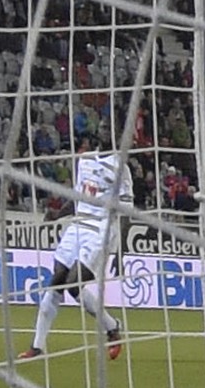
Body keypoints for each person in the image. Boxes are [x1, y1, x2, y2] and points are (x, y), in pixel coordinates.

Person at [17, 136, 132, 361]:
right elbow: (79, 197)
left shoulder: (121, 169)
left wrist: (121, 250)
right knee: (57, 278)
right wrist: (58, 215)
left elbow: (127, 212)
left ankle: (111, 328)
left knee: (73, 284)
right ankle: (37, 346)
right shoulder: (84, 160)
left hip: (101, 230)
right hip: (78, 225)